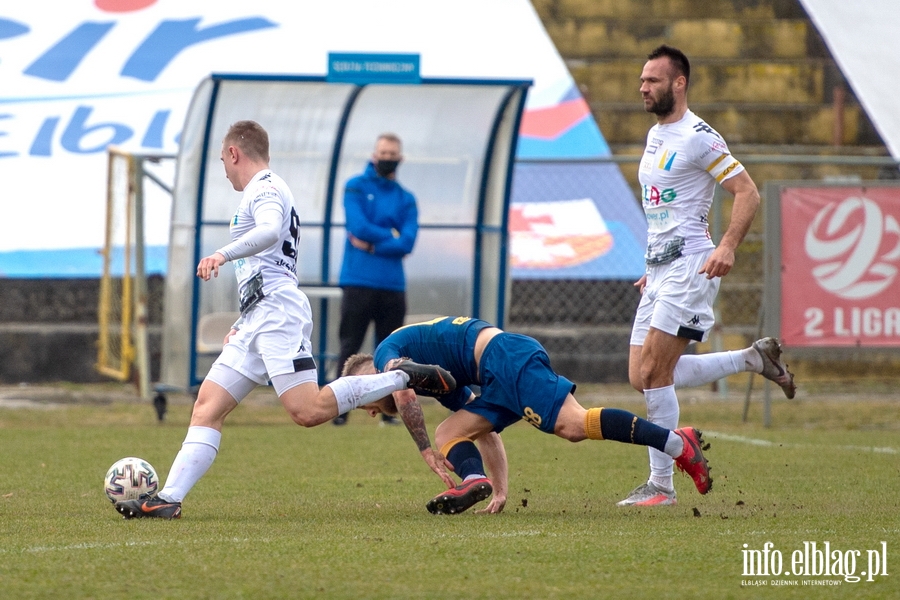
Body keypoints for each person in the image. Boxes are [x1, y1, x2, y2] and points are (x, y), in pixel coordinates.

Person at [115, 121, 454, 520]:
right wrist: (244, 318)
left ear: (233, 153)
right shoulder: (262, 189)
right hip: (258, 316)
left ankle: (404, 378)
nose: (223, 169)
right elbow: (265, 261)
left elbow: (271, 231)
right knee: (207, 406)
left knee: (306, 411)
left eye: (223, 159)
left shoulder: (266, 187)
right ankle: (168, 498)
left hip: (278, 313)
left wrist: (221, 255)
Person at [622, 45, 796, 508]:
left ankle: (661, 486)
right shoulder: (656, 134)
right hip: (660, 268)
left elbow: (747, 191)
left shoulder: (699, 136)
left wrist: (727, 246)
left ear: (679, 83)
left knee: (656, 373)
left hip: (691, 267)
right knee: (642, 376)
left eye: (653, 80)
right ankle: (752, 360)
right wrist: (650, 263)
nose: (643, 87)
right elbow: (664, 209)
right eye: (642, 80)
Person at [343, 316, 713, 515]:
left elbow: (402, 390)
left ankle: (677, 443)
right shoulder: (434, 380)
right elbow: (486, 430)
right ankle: (474, 480)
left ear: (367, 378)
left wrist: (423, 449)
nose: (373, 410)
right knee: (452, 431)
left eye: (364, 400)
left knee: (574, 426)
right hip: (494, 370)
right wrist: (499, 488)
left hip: (503, 357)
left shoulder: (385, 356)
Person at [332, 133, 418, 427]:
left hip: (393, 285)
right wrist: (389, 236)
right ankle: (339, 409)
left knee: (390, 350)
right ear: (373, 155)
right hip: (357, 280)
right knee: (349, 345)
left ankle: (389, 410)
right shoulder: (356, 187)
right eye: (382, 152)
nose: (387, 157)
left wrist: (372, 243)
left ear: (400, 158)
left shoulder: (406, 198)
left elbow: (407, 242)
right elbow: (357, 225)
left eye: (392, 153)